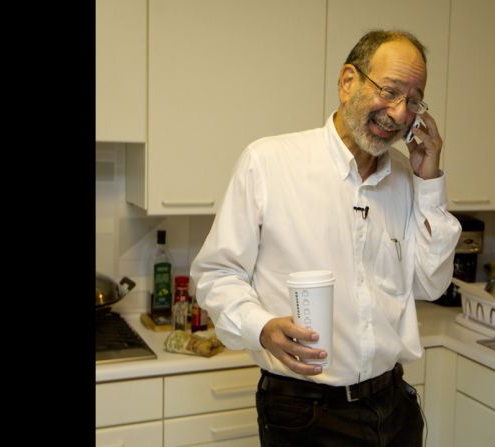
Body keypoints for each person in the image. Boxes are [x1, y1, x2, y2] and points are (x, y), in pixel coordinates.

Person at [190, 29, 461, 446]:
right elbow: (216, 274)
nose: (401, 113)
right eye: (389, 91)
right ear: (347, 81)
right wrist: (260, 327)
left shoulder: (409, 181)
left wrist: (430, 183)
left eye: (414, 99)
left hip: (394, 409)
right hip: (306, 412)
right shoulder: (268, 163)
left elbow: (431, 283)